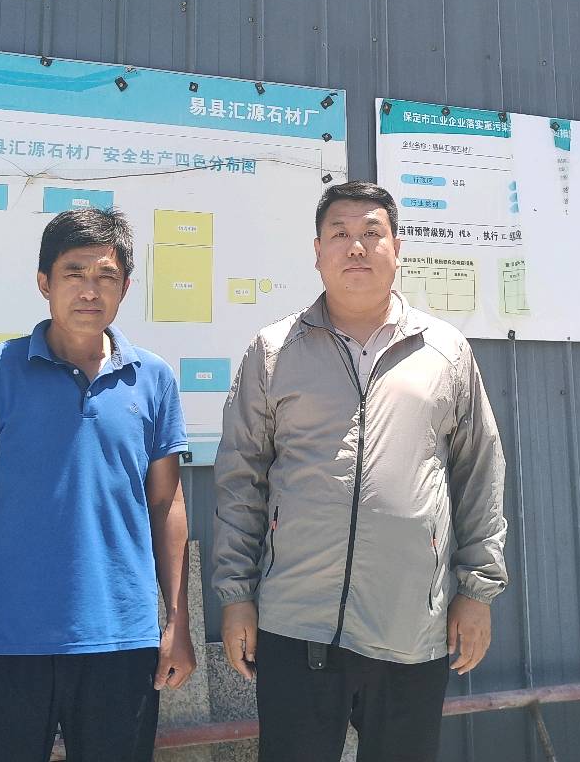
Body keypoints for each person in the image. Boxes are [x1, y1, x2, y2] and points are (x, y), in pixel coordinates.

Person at [213, 181, 507, 762]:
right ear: (316, 251)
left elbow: (479, 473)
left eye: (372, 234)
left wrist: (477, 592)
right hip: (297, 621)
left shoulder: (445, 351)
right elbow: (240, 480)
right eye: (339, 234)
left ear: (397, 249)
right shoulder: (274, 351)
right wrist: (235, 595)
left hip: (409, 624)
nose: (356, 247)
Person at [0, 207, 196, 762]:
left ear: (126, 287)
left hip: (123, 639)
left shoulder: (153, 379)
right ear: (44, 282)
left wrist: (178, 620)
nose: (89, 290)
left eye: (106, 276)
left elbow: (165, 502)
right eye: (74, 273)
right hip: (7, 640)